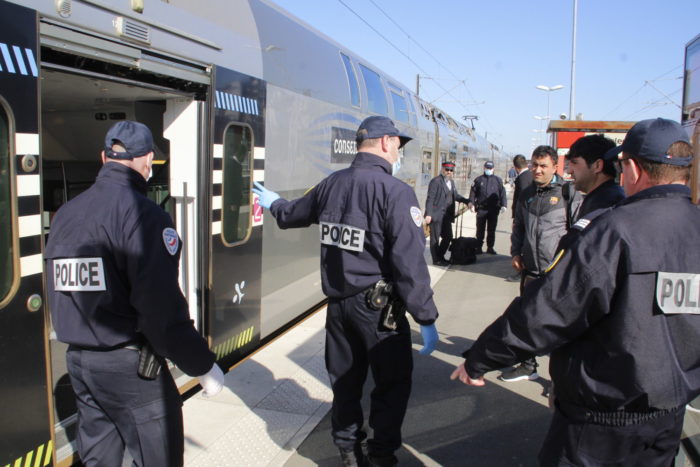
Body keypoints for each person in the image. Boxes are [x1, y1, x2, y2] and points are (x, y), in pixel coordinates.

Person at [451, 118, 700, 466]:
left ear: (631, 168)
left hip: (600, 422)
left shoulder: (614, 230)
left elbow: (550, 310)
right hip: (669, 416)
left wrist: (480, 358)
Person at [253, 116, 439, 467]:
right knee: (392, 384)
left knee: (345, 385)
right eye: (398, 144)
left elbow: (292, 214)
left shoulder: (331, 184)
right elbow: (409, 264)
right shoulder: (396, 192)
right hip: (380, 311)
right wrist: (425, 316)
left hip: (338, 309)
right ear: (385, 142)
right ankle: (381, 456)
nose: (399, 151)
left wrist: (275, 203)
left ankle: (350, 455)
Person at [45, 121, 224, 467]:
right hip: (131, 370)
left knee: (98, 459)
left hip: (80, 364)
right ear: (146, 161)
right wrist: (201, 365)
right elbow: (161, 310)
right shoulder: (145, 216)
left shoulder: (65, 214)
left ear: (103, 157)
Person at [503, 145, 581, 382]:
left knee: (559, 326)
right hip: (530, 270)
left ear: (554, 166)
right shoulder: (527, 193)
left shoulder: (569, 192)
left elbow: (579, 232)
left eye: (543, 166)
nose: (537, 170)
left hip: (557, 273)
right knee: (527, 319)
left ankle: (561, 379)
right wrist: (516, 252)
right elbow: (519, 227)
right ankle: (528, 365)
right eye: (534, 165)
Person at [566, 134, 625, 219]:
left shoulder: (604, 205)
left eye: (575, 162)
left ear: (597, 165)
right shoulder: (605, 197)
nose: (569, 171)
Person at [424, 161, 469, 265]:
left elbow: (456, 196)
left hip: (446, 216)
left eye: (451, 170)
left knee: (448, 236)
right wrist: (429, 214)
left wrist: (467, 201)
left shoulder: (451, 182)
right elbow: (430, 199)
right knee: (435, 239)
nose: (449, 172)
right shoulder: (435, 181)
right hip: (436, 214)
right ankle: (436, 260)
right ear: (442, 169)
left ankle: (440, 256)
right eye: (447, 169)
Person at [468, 161, 507, 254]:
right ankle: (478, 247)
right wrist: (471, 203)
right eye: (487, 168)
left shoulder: (498, 180)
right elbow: (473, 193)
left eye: (490, 168)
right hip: (481, 209)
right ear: (484, 168)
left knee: (491, 229)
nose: (488, 170)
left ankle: (490, 247)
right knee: (480, 229)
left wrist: (504, 205)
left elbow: (502, 194)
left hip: (493, 209)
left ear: (493, 169)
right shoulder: (478, 180)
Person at [510, 154, 532, 219]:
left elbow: (522, 199)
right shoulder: (531, 175)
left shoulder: (522, 178)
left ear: (516, 167)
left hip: (522, 216)